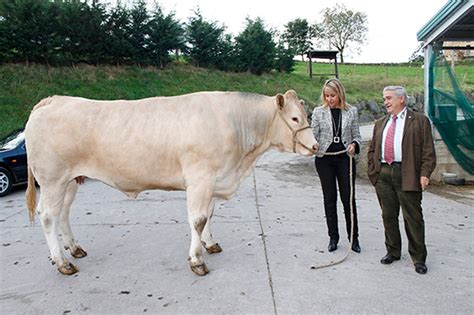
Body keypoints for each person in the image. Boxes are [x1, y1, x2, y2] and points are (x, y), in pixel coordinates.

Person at [367, 86, 436, 275]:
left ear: (401, 100)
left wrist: (425, 174)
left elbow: (428, 152)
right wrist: (374, 171)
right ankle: (392, 251)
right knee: (388, 215)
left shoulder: (420, 121)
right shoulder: (381, 122)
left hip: (408, 173)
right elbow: (372, 149)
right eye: (384, 99)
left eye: (389, 98)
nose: (386, 102)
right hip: (383, 173)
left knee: (412, 217)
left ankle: (419, 258)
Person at [311, 78, 362, 253]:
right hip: (324, 159)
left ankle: (353, 238)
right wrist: (313, 145)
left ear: (340, 94)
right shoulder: (318, 112)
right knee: (329, 198)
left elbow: (357, 135)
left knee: (348, 199)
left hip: (344, 159)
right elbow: (313, 135)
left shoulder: (351, 111)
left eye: (332, 95)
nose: (329, 99)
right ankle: (333, 237)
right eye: (326, 96)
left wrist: (354, 144)